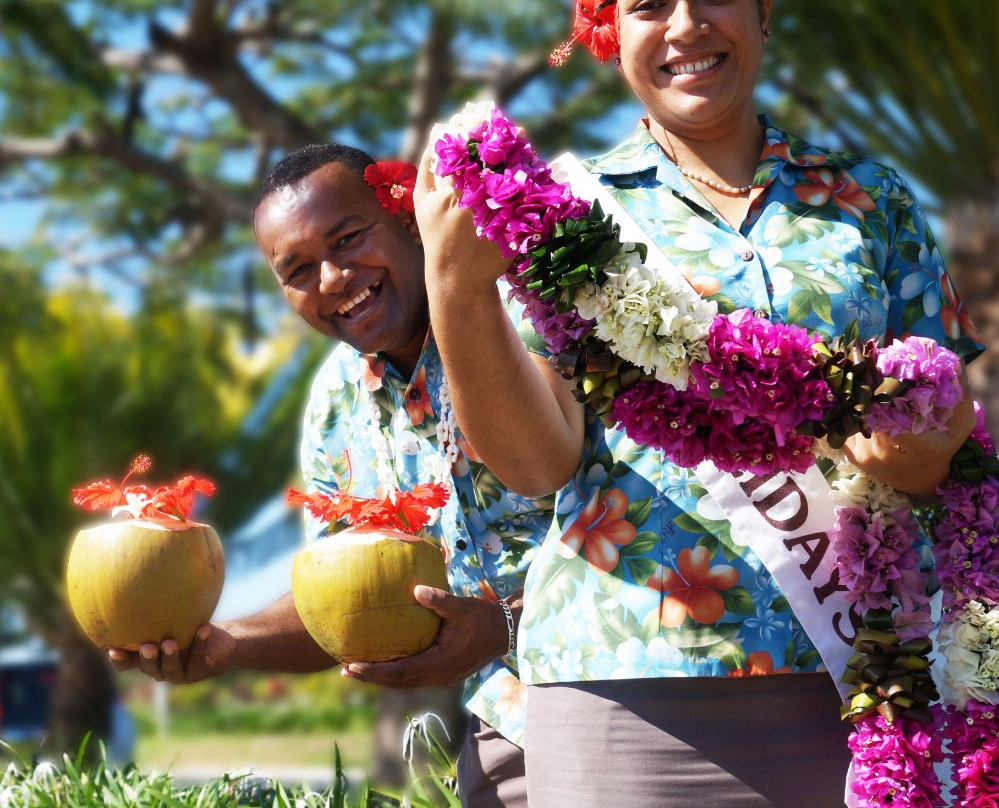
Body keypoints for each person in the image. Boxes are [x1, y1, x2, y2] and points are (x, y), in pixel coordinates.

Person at [413, 1, 986, 806]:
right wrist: (455, 288)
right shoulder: (562, 212)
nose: (684, 25)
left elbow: (950, 419)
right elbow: (534, 464)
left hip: (865, 685)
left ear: (763, 17)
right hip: (628, 680)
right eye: (647, 4)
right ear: (609, 33)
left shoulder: (870, 199)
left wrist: (925, 451)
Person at [108, 143, 554, 808]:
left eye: (347, 238)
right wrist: (230, 645)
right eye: (296, 271)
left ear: (407, 215)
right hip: (509, 729)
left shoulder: (539, 318)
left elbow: (660, 515)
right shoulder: (335, 403)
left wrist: (506, 628)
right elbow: (341, 590)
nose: (332, 278)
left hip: (655, 697)